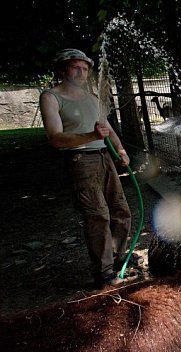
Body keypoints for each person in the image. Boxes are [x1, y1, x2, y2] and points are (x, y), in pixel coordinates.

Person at [39, 48, 132, 288]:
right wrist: (90, 135)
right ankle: (105, 273)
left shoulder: (92, 99)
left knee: (120, 209)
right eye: (75, 67)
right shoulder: (51, 97)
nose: (81, 72)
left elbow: (108, 130)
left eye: (85, 68)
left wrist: (120, 151)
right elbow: (56, 139)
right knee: (97, 215)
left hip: (105, 158)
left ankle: (119, 258)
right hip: (80, 161)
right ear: (62, 69)